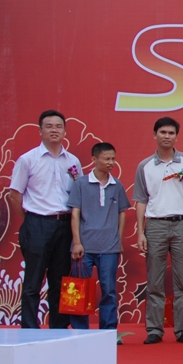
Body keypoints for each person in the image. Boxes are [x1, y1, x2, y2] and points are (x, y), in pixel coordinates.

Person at [9, 110, 81, 329]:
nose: (54, 130)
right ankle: (30, 329)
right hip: (37, 224)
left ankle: (59, 328)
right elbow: (15, 195)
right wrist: (30, 220)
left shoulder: (73, 161)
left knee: (60, 281)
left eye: (58, 126)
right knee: (33, 281)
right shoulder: (28, 159)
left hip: (65, 225)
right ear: (40, 130)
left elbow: (78, 195)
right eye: (49, 126)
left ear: (65, 131)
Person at [134, 116, 183, 344]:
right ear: (155, 135)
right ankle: (154, 329)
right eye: (163, 132)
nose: (167, 136)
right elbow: (141, 200)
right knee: (155, 280)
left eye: (171, 133)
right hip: (155, 225)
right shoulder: (145, 166)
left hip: (182, 224)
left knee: (182, 281)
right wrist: (140, 232)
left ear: (176, 137)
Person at [68, 142, 130, 335]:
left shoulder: (116, 185)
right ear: (94, 159)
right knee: (79, 289)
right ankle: (80, 331)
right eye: (106, 159)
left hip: (109, 247)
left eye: (113, 159)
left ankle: (108, 331)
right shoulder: (81, 183)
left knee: (109, 289)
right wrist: (77, 243)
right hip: (84, 247)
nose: (111, 162)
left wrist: (119, 239)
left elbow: (122, 212)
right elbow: (75, 213)